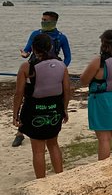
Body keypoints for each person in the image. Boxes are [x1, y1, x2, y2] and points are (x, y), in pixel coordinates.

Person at [13, 33, 70, 179]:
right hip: (55, 108)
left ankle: (41, 182)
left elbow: (19, 93)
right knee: (53, 144)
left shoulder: (27, 67)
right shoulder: (62, 65)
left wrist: (15, 114)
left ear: (33, 48)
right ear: (51, 47)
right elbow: (67, 90)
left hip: (34, 110)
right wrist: (64, 109)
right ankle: (60, 177)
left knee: (38, 150)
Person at [14, 11, 72, 148]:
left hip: (53, 67)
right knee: (28, 96)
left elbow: (68, 57)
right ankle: (20, 132)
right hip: (34, 71)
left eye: (45, 20)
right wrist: (24, 54)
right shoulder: (35, 34)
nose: (43, 22)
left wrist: (60, 69)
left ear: (53, 22)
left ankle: (45, 127)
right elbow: (28, 50)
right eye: (42, 19)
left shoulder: (61, 38)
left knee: (47, 100)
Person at [80, 29, 112, 160]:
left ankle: (104, 169)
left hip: (103, 99)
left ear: (103, 43)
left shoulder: (99, 62)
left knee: (103, 138)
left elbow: (83, 80)